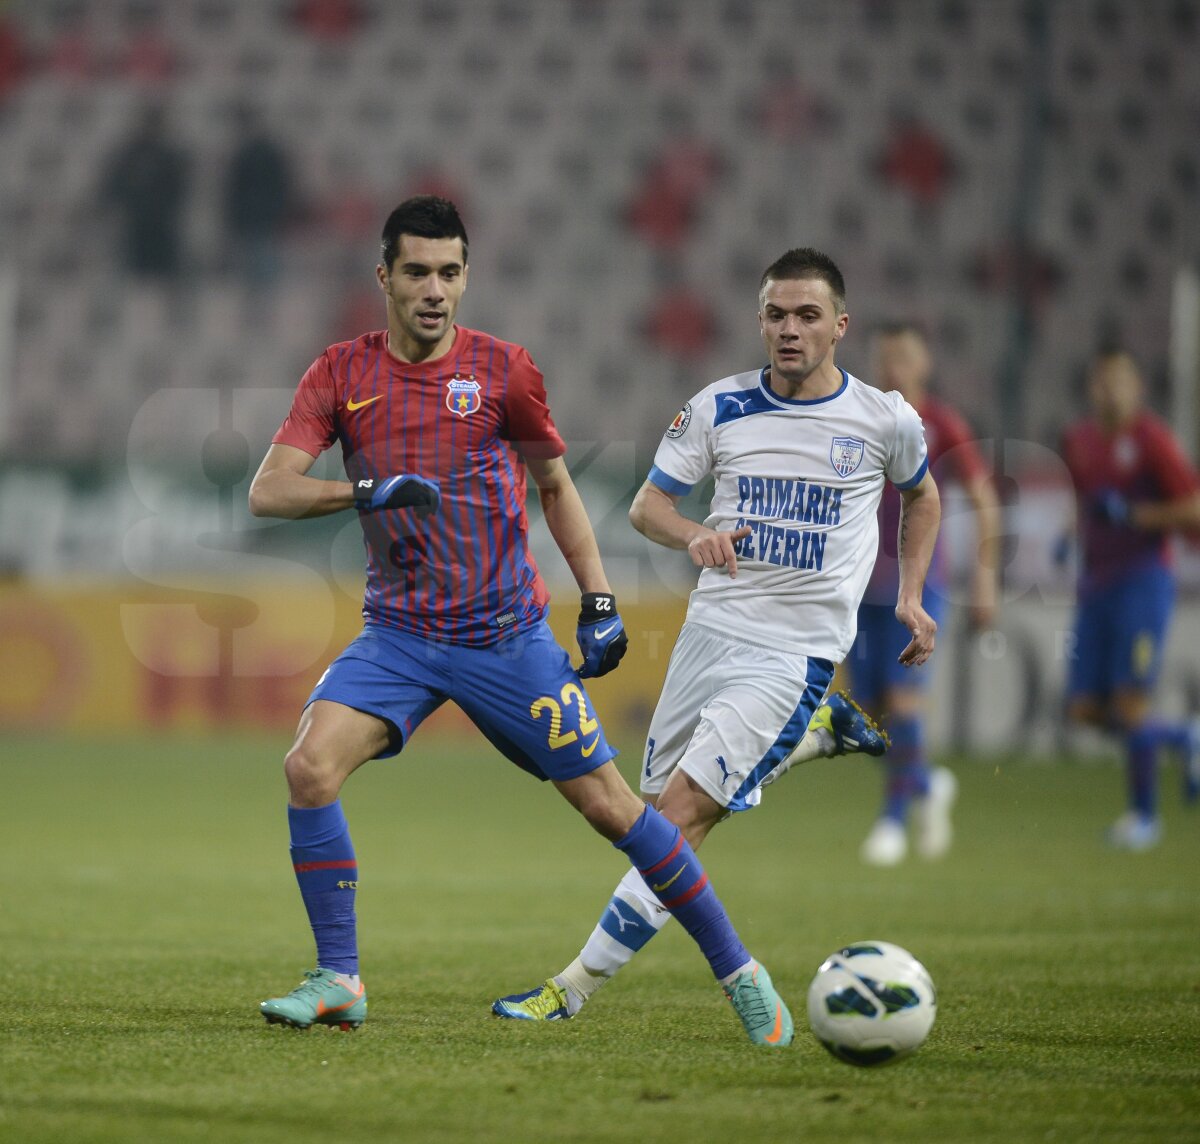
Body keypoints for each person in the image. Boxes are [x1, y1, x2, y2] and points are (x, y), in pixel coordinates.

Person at [249, 196, 793, 1046]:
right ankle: (339, 979)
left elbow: (556, 487)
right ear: (384, 276)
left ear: (467, 277)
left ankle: (740, 973)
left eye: (450, 272)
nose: (435, 289)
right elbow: (269, 490)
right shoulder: (341, 373)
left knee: (615, 810)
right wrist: (364, 491)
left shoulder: (504, 371)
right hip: (397, 637)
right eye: (418, 272)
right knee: (308, 767)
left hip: (504, 639)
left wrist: (599, 598)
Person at [492, 247, 940, 1024]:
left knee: (679, 819)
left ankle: (573, 988)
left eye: (807, 316)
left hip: (794, 651)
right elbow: (647, 508)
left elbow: (923, 496)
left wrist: (910, 594)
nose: (790, 330)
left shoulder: (883, 419)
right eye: (776, 315)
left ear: (840, 325)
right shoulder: (719, 406)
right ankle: (813, 737)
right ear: (759, 320)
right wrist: (695, 533)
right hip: (710, 631)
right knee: (650, 826)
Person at [851, 323, 1000, 866]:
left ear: (924, 364)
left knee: (904, 702)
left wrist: (985, 577)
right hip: (860, 588)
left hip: (919, 585)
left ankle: (892, 823)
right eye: (885, 357)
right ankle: (927, 784)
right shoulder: (858, 416)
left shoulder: (940, 423)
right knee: (869, 718)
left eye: (904, 356)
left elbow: (984, 499)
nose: (893, 367)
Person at [1062, 349, 1200, 850]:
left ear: (1138, 387)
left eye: (1119, 381)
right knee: (1082, 708)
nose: (1110, 391)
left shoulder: (1153, 440)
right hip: (1096, 585)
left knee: (1131, 702)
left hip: (1143, 582)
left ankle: (1144, 818)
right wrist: (1068, 533)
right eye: (1102, 382)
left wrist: (1134, 515)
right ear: (1091, 388)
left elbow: (1193, 509)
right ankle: (1184, 738)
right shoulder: (1079, 441)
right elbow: (1083, 500)